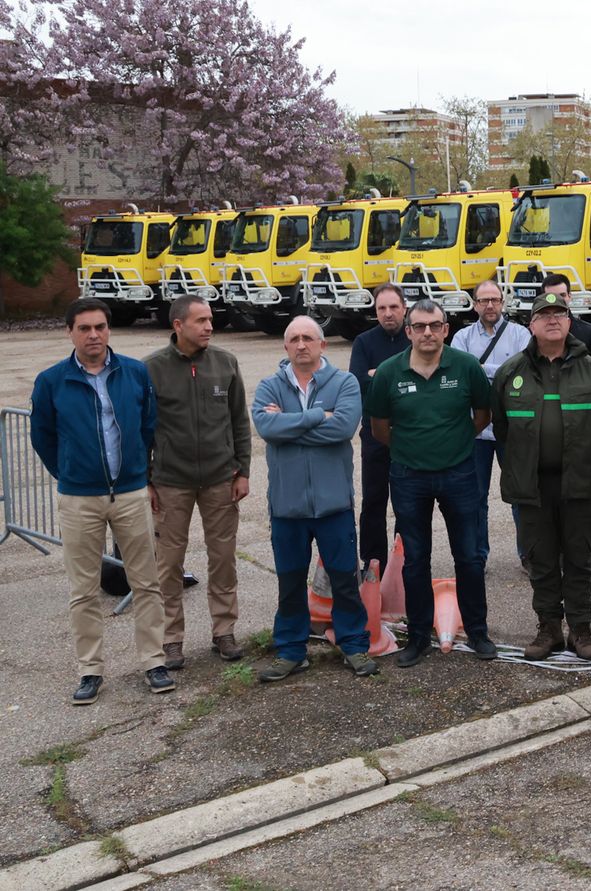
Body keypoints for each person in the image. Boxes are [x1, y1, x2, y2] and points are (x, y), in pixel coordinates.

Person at [30, 298, 171, 706]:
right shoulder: (51, 381)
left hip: (128, 493)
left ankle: (153, 661)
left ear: (109, 330)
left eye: (100, 327)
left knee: (146, 582)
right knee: (84, 589)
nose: (93, 335)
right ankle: (90, 670)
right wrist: (70, 472)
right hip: (80, 498)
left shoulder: (135, 372)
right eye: (84, 328)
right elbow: (43, 436)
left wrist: (135, 472)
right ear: (70, 332)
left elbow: (148, 424)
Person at [366, 298, 499, 667]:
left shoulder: (467, 366)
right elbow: (379, 429)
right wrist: (413, 448)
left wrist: (452, 443)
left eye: (435, 325)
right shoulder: (390, 373)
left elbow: (483, 414)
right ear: (408, 331)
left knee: (470, 557)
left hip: (459, 473)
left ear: (446, 329)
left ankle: (477, 632)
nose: (428, 332)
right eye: (420, 326)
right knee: (415, 561)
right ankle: (419, 636)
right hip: (408, 476)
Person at [250, 317, 374, 681]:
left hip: (333, 504)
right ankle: (291, 650)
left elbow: (344, 428)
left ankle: (353, 643)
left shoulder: (345, 382)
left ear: (322, 344)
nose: (301, 344)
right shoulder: (270, 385)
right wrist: (319, 415)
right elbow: (266, 428)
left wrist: (290, 425)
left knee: (344, 581)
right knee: (289, 583)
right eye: (294, 339)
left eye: (308, 338)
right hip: (287, 507)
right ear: (285, 347)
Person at [491, 293, 591, 661]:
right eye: (544, 314)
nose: (553, 319)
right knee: (541, 559)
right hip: (532, 484)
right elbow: (501, 427)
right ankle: (548, 629)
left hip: (577, 481)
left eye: (560, 313)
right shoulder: (511, 372)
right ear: (532, 325)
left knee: (578, 557)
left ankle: (580, 630)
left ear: (570, 322)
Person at [142, 295, 252, 669]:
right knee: (168, 564)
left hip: (222, 479)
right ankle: (171, 640)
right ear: (178, 325)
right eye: (200, 320)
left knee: (222, 560)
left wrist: (244, 471)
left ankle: (224, 631)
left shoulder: (225, 363)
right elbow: (142, 430)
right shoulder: (152, 369)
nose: (209, 326)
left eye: (210, 320)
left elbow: (239, 421)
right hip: (171, 483)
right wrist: (148, 480)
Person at [448, 279, 531, 565]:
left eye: (494, 299)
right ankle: (477, 556)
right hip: (476, 430)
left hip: (514, 430)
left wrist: (481, 368)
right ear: (475, 305)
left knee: (522, 494)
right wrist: (501, 373)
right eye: (483, 300)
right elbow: (462, 376)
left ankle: (528, 554)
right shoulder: (461, 338)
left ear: (503, 302)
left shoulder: (521, 334)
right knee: (475, 498)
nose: (490, 305)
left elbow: (523, 374)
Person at [537, 273, 591, 576]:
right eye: (550, 298)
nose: (557, 307)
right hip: (545, 445)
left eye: (563, 297)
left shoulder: (589, 334)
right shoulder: (538, 335)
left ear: (570, 298)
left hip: (581, 436)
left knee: (590, 494)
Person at [350, 282, 409, 576]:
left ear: (404, 309)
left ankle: (403, 560)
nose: (388, 313)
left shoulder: (415, 338)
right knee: (373, 500)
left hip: (410, 436)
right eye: (382, 308)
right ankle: (373, 562)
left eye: (393, 307)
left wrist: (378, 374)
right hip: (374, 434)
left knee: (407, 502)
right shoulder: (363, 342)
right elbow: (358, 381)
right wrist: (398, 378)